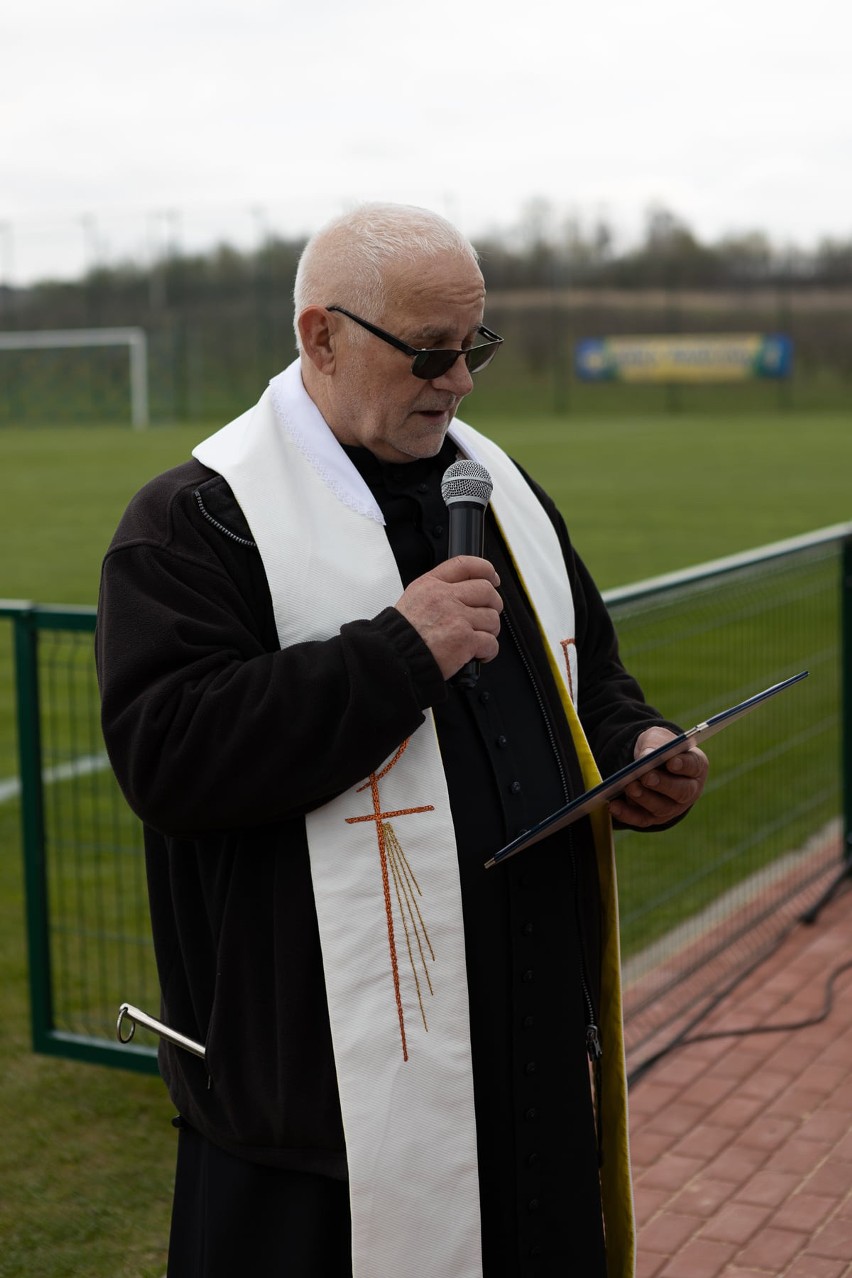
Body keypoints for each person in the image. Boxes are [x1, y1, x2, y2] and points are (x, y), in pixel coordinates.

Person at [96, 202, 708, 1278]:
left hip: (526, 1049)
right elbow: (169, 756)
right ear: (320, 336)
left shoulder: (497, 485)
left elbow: (587, 671)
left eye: (474, 347)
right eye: (430, 352)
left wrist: (634, 746)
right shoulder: (197, 521)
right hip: (317, 1098)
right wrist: (395, 655)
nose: (461, 381)